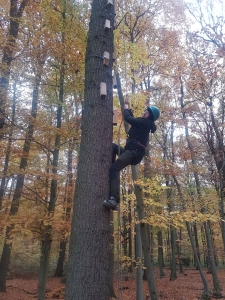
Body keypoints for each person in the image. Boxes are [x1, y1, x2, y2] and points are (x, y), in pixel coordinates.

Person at [103, 101, 160, 210]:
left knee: (114, 169)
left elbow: (130, 119)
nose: (144, 113)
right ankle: (112, 168)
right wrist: (128, 109)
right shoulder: (143, 122)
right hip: (130, 150)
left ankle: (114, 200)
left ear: (150, 117)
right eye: (144, 112)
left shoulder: (146, 123)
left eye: (147, 113)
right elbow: (134, 121)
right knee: (113, 147)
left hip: (134, 152)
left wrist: (126, 109)